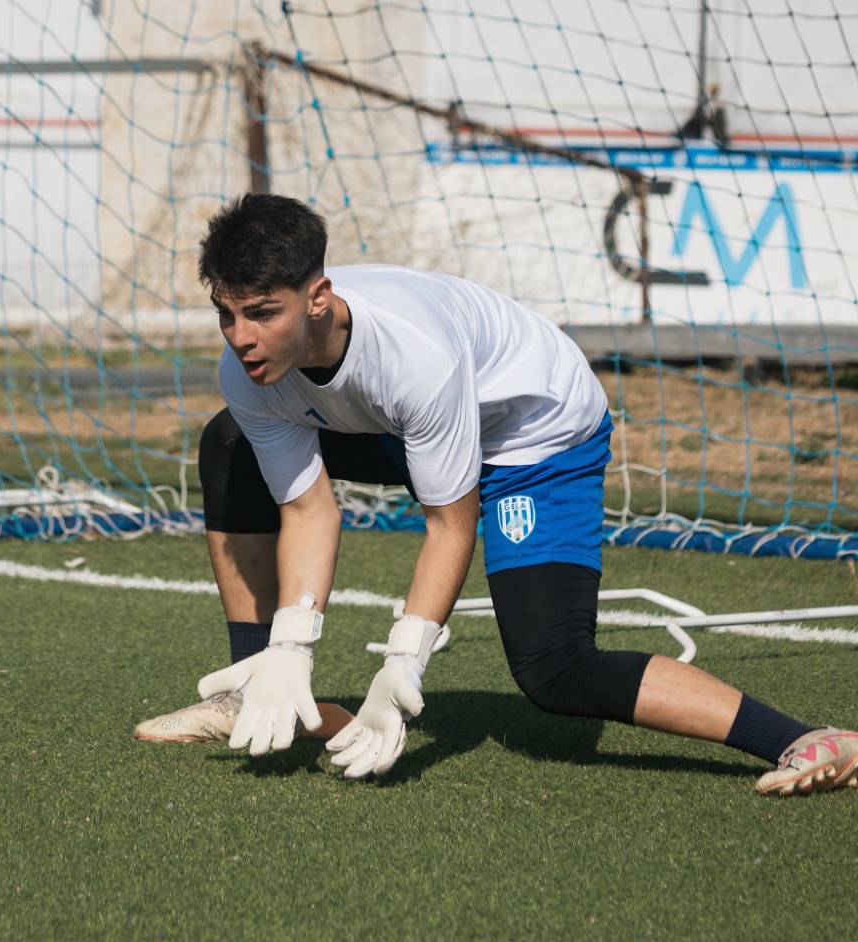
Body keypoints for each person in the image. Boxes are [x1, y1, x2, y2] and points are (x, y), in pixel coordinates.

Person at [134, 192, 858, 795]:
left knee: (555, 667)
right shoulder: (248, 369)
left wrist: (402, 665)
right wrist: (291, 647)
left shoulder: (414, 355)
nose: (241, 336)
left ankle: (804, 737)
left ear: (318, 299)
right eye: (227, 314)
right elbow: (307, 509)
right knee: (230, 443)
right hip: (403, 421)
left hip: (536, 435)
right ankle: (254, 688)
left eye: (263, 313)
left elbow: (450, 523)